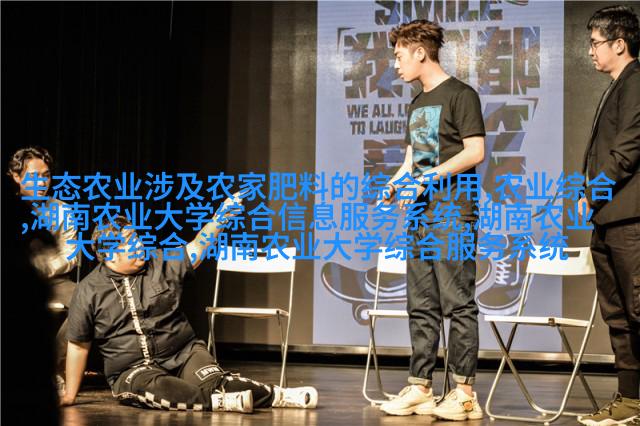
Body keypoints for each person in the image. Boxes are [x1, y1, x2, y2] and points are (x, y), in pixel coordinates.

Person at [60, 198, 318, 413]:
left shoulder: (160, 260)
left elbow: (197, 247)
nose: (138, 244)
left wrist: (219, 219)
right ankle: (219, 403)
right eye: (129, 241)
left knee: (217, 381)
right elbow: (78, 345)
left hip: (182, 353)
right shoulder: (88, 290)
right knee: (157, 388)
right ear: (109, 254)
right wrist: (71, 395)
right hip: (133, 369)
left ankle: (279, 396)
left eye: (136, 236)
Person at [378, 19, 486, 420]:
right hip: (420, 214)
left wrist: (429, 177)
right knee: (421, 303)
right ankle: (421, 386)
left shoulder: (461, 95)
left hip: (453, 213)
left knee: (458, 303)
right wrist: (395, 183)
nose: (396, 64)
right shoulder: (417, 103)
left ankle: (464, 393)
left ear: (420, 52)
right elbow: (414, 158)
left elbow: (474, 152)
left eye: (399, 56)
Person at [577, 6, 640, 426]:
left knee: (636, 309)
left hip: (630, 220)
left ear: (620, 43)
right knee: (617, 315)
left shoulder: (636, 82)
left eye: (596, 43)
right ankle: (630, 402)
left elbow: (628, 150)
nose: (591, 51)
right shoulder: (618, 85)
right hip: (609, 219)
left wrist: (592, 193)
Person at [7, 146, 79, 388]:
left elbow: (71, 254)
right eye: (33, 176)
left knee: (87, 300)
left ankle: (51, 368)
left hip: (53, 280)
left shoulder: (63, 210)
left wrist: (44, 268)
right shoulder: (7, 209)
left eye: (46, 176)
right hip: (11, 279)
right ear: (16, 176)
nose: (41, 182)